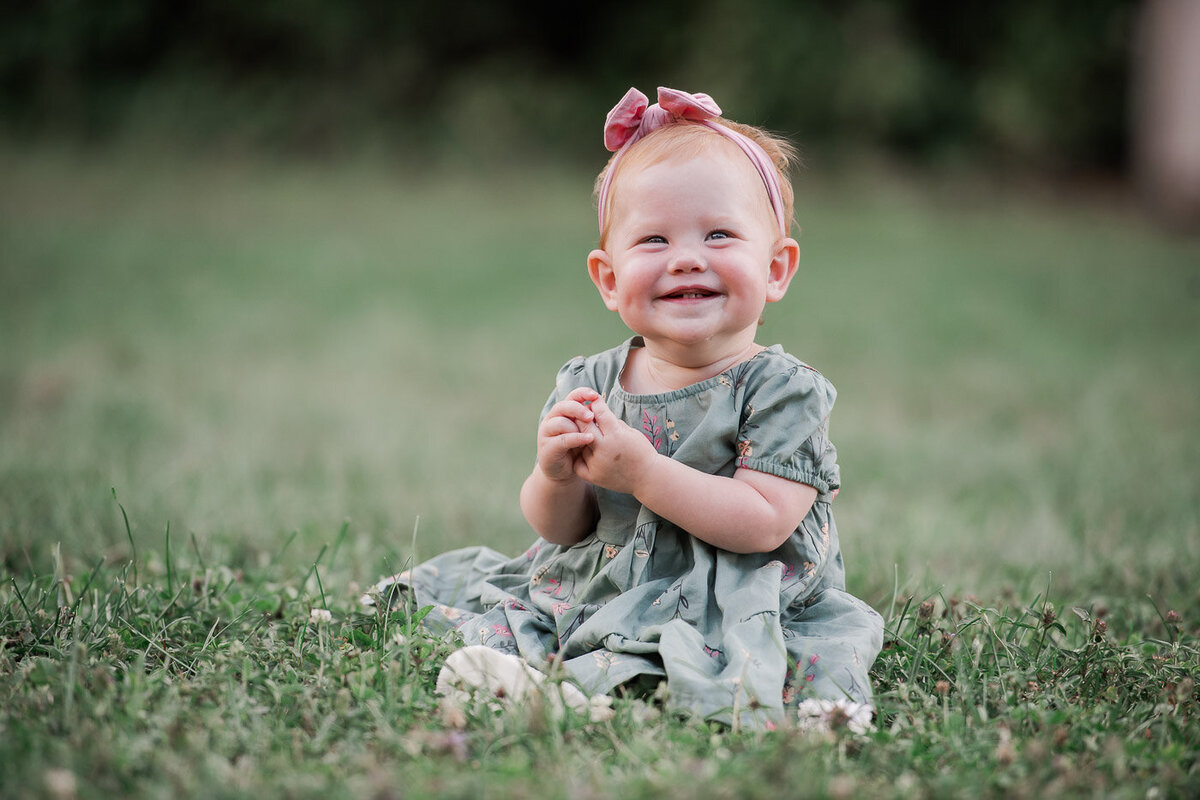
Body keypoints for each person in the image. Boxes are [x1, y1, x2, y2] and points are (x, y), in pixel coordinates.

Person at [366, 86, 883, 730]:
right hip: (601, 584)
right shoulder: (590, 381)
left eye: (719, 234)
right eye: (654, 239)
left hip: (735, 598)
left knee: (768, 652)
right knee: (534, 617)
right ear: (609, 279)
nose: (686, 258)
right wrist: (554, 477)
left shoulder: (784, 391)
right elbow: (562, 530)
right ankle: (546, 682)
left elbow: (763, 524)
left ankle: (588, 694)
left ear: (776, 268)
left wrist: (643, 472)